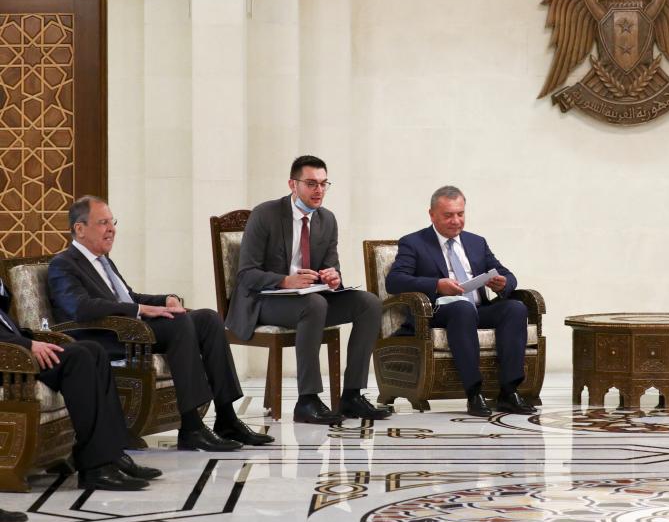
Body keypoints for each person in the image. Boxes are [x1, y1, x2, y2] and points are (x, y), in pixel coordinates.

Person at [47, 196, 273, 451]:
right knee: (178, 324)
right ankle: (192, 427)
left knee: (208, 319)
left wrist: (166, 299)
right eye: (103, 223)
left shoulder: (104, 261)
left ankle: (227, 418)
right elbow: (79, 307)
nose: (112, 229)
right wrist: (141, 309)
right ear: (79, 228)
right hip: (105, 338)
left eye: (113, 222)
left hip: (131, 330)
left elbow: (128, 297)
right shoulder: (63, 264)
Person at [227, 155, 388, 424]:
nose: (319, 190)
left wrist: (333, 277)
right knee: (315, 305)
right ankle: (307, 400)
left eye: (324, 184)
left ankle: (352, 395)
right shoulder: (265, 214)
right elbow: (246, 275)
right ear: (293, 184)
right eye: (312, 183)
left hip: (308, 300)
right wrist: (284, 280)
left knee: (369, 303)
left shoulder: (327, 220)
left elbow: (330, 266)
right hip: (263, 301)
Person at [385, 185, 537, 417]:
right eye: (448, 215)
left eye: (460, 214)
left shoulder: (477, 242)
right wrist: (437, 285)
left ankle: (509, 392)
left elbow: (508, 274)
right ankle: (474, 393)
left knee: (515, 308)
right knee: (462, 308)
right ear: (432, 214)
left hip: (478, 309)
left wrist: (503, 283)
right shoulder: (414, 242)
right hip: (438, 313)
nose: (456, 221)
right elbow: (395, 281)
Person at [1, 278, 160, 491]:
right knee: (78, 356)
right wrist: (28, 344)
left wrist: (32, 340)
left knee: (94, 350)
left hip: (18, 350)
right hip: (10, 362)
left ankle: (113, 453)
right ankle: (95, 468)